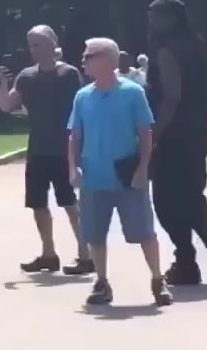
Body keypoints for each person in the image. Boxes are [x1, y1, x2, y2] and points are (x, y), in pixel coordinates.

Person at [69, 38, 173, 307]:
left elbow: (145, 133)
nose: (84, 61)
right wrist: (73, 167)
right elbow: (75, 136)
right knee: (94, 233)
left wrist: (143, 168)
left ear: (108, 60)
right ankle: (102, 282)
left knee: (144, 232)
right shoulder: (83, 96)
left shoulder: (132, 92)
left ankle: (157, 279)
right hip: (93, 177)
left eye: (89, 56)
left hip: (127, 176)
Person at [146, 0, 207, 285]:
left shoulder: (167, 51)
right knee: (191, 194)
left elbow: (172, 96)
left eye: (157, 16)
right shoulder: (194, 46)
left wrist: (155, 133)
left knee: (165, 200)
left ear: (171, 19)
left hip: (174, 135)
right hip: (197, 132)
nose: (152, 22)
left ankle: (187, 259)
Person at [0, 25, 93, 276]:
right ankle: (48, 254)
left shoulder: (69, 74)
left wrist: (82, 146)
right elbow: (7, 105)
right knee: (38, 203)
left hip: (64, 148)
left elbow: (83, 109)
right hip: (38, 148)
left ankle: (86, 255)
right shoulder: (26, 77)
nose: (34, 49)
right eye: (30, 45)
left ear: (53, 44)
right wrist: (3, 84)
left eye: (38, 44)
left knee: (70, 203)